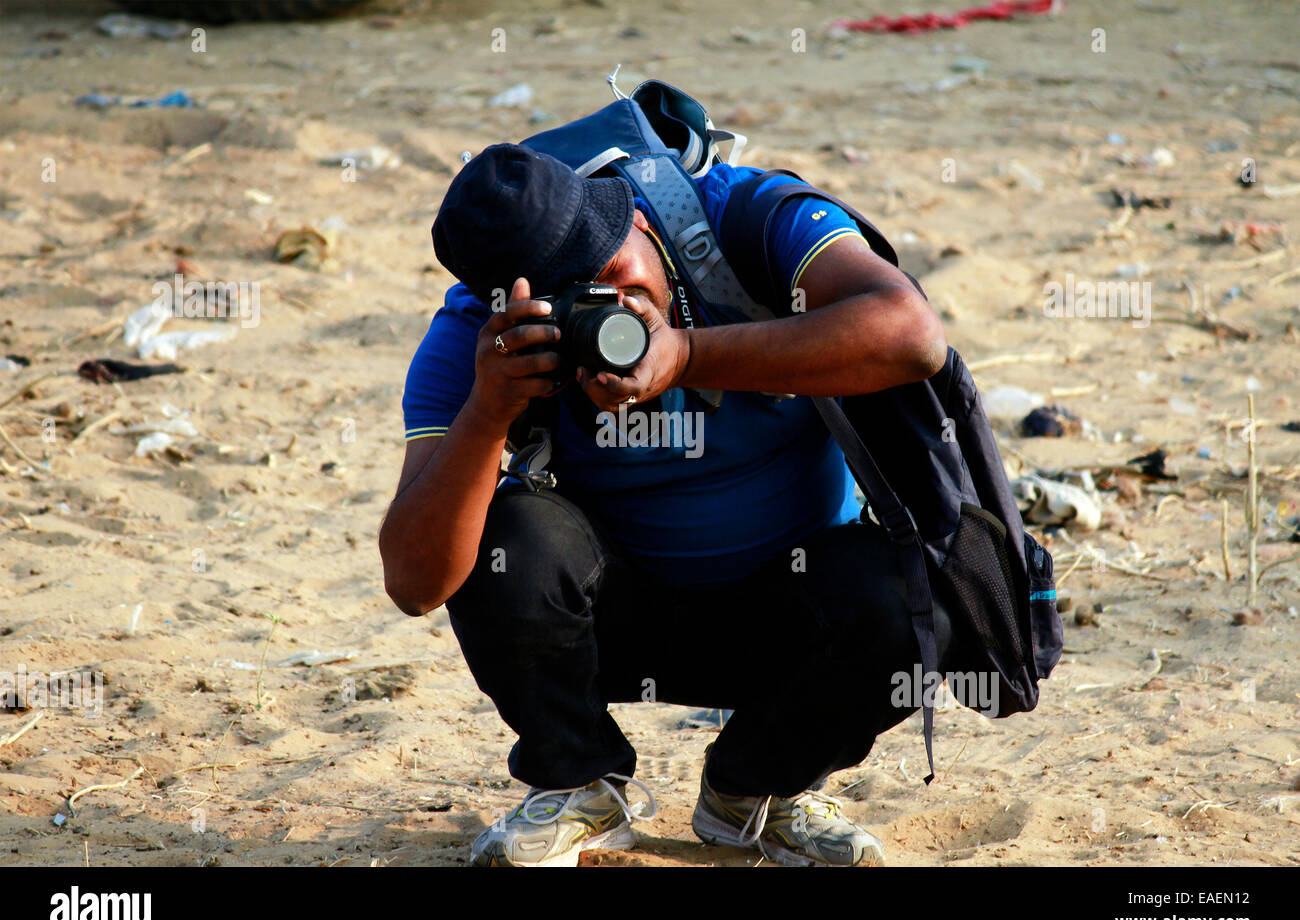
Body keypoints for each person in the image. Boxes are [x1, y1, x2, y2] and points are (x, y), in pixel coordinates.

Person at [379, 141, 957, 867]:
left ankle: (757, 791)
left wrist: (688, 353)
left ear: (640, 224)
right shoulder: (476, 337)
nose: (611, 309)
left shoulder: (745, 220)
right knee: (507, 541)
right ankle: (579, 784)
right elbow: (413, 581)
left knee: (919, 592)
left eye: (615, 272)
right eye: (575, 305)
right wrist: (489, 410)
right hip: (610, 619)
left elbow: (913, 336)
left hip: (794, 612)